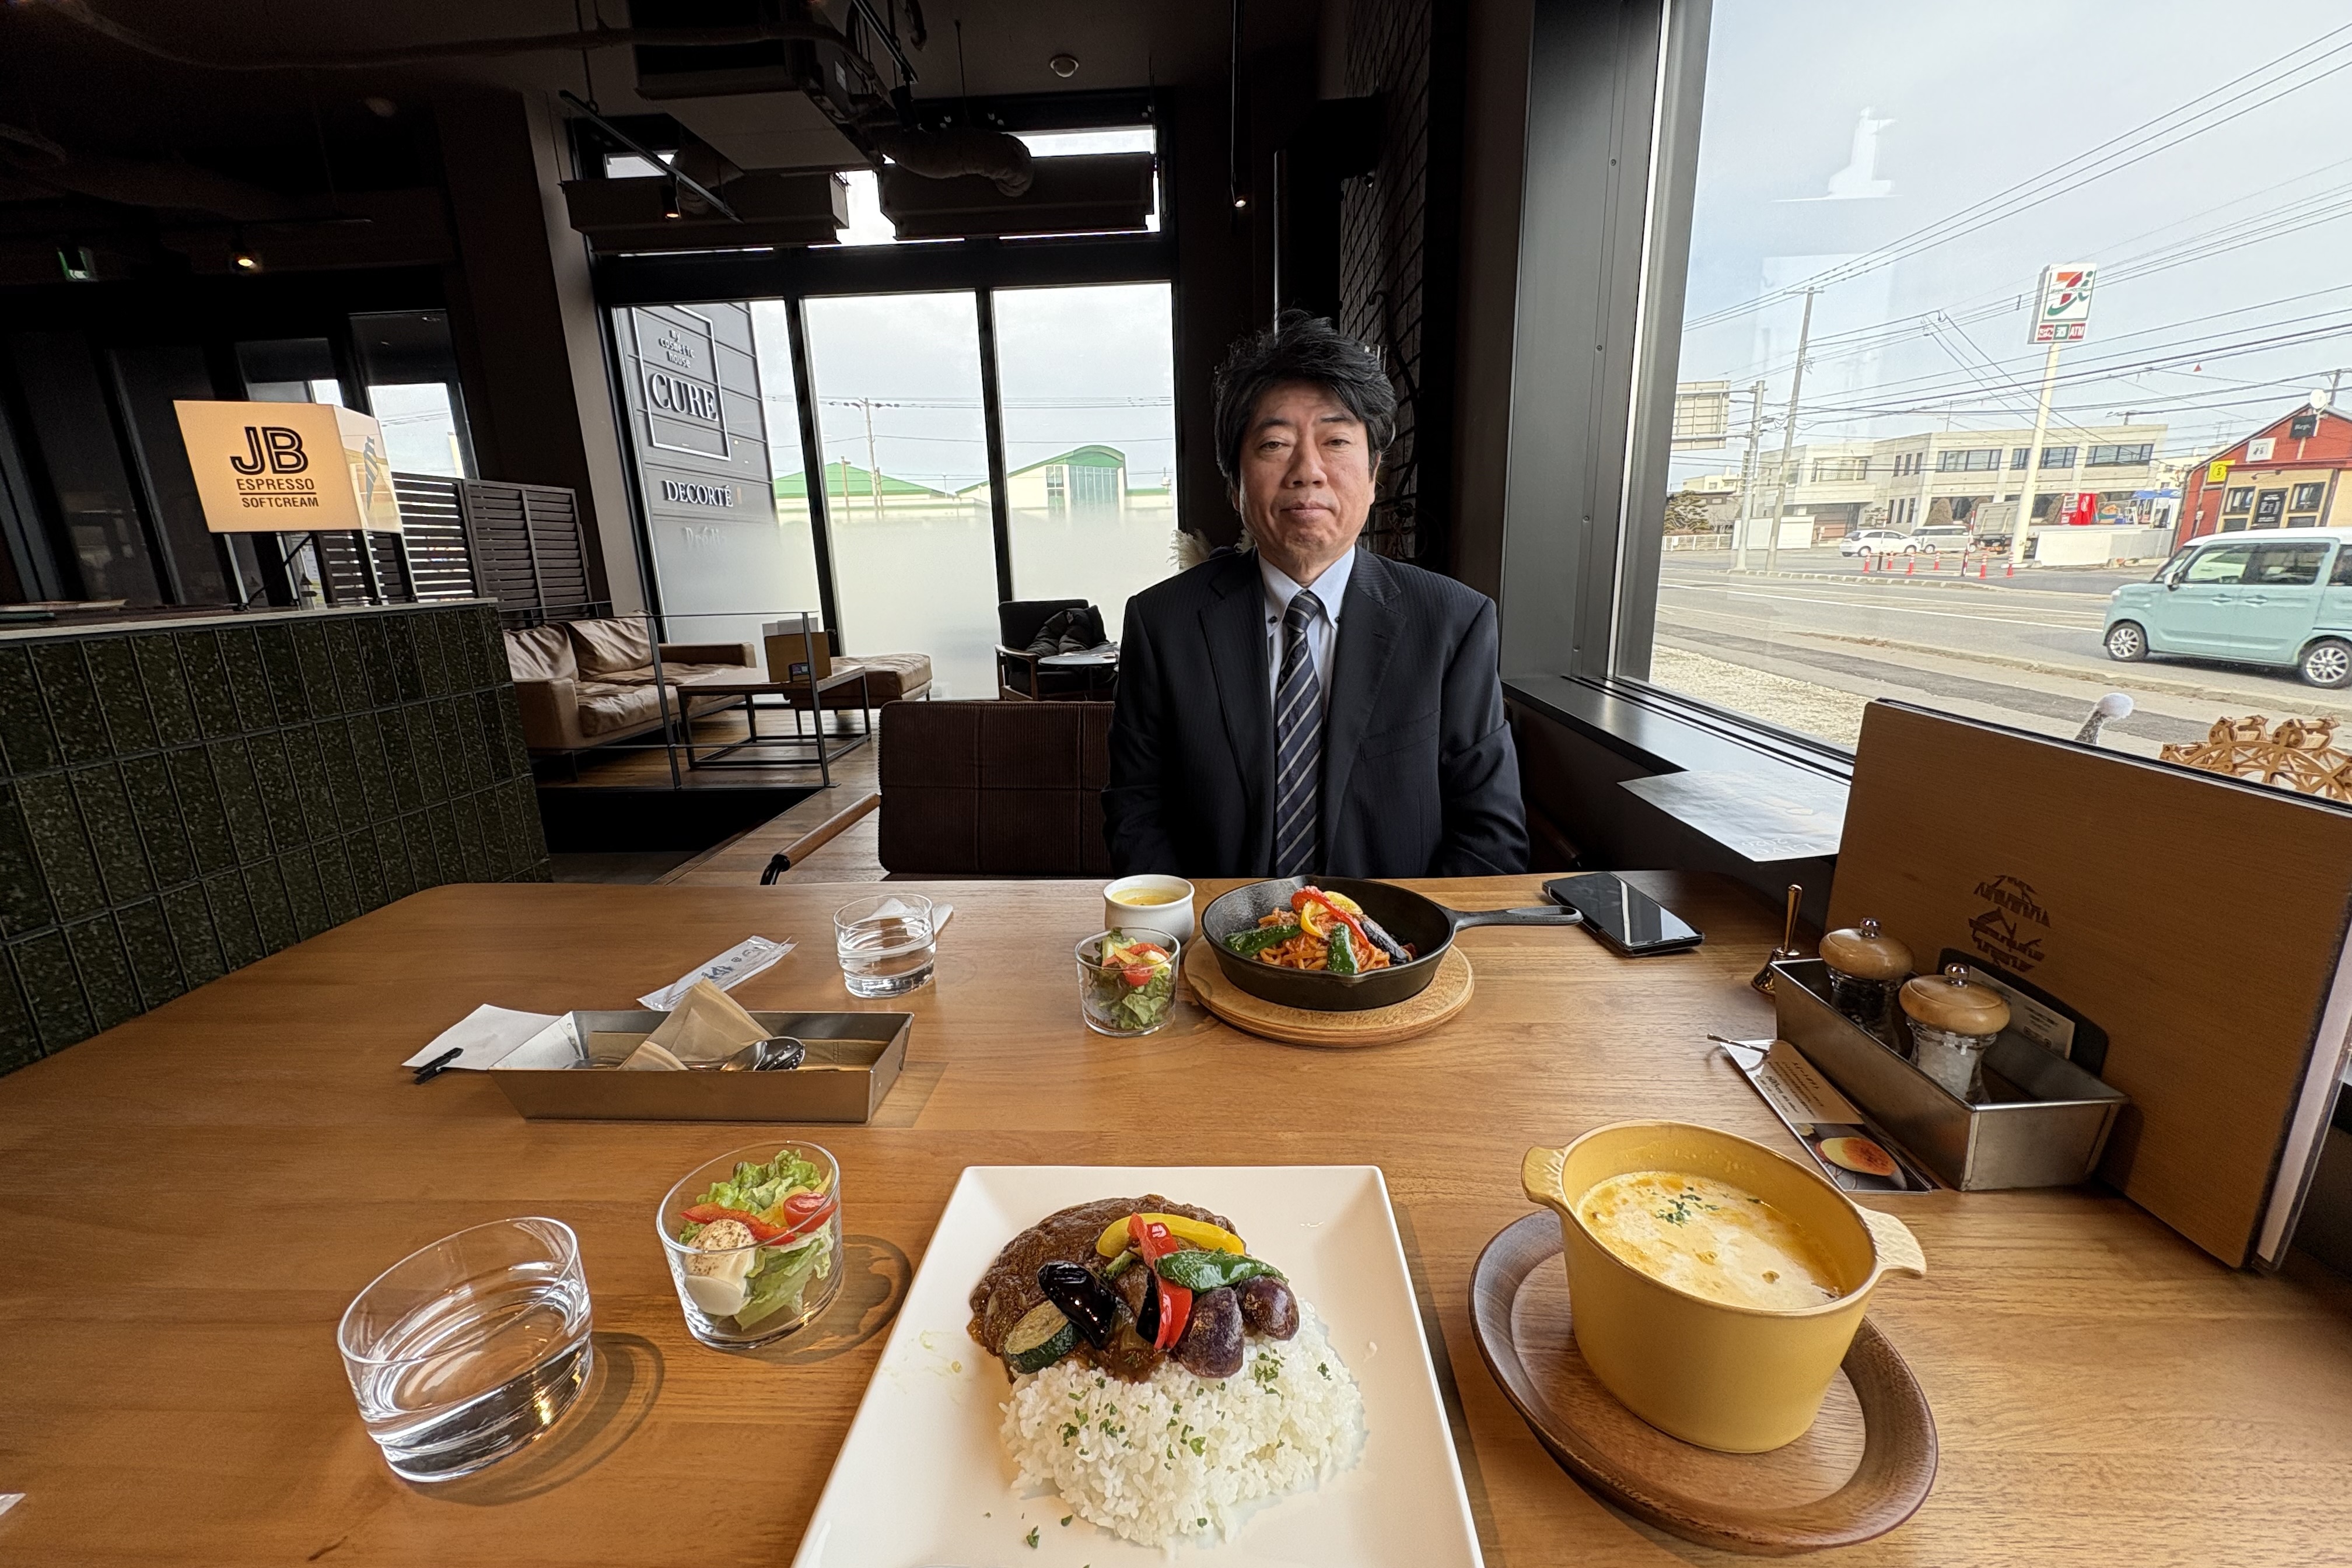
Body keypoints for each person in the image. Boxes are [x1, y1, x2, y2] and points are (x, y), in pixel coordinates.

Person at [1104, 312, 1529, 878]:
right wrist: (1194, 923)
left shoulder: (1454, 623)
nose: (1308, 471)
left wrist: (1396, 932)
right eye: (1275, 444)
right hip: (1212, 929)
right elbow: (1135, 813)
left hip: (1394, 930)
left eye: (1336, 441)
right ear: (1234, 485)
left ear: (1374, 475)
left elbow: (1489, 837)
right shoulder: (1162, 624)